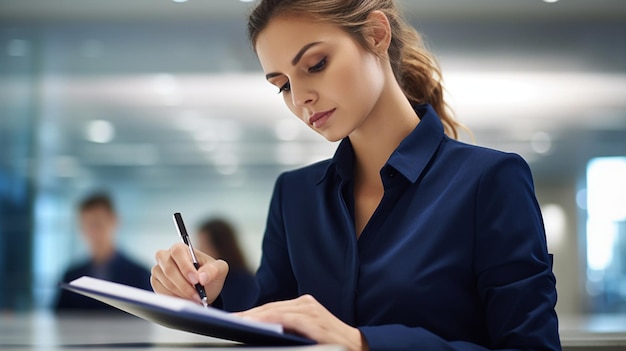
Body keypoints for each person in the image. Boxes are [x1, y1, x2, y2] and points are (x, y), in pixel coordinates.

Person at [150, 1, 561, 350]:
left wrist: (363, 342)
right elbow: (275, 337)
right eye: (282, 86)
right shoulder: (294, 196)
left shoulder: (490, 181)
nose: (300, 98)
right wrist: (209, 295)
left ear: (377, 34)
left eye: (316, 64)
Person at [55, 192, 152, 311]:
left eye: (98, 224)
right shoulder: (71, 276)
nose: (93, 232)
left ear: (114, 221)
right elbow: (60, 320)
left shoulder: (139, 274)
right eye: (87, 225)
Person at [195, 217, 258, 312]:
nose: (198, 252)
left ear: (220, 247)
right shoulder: (206, 281)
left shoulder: (243, 282)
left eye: (204, 246)